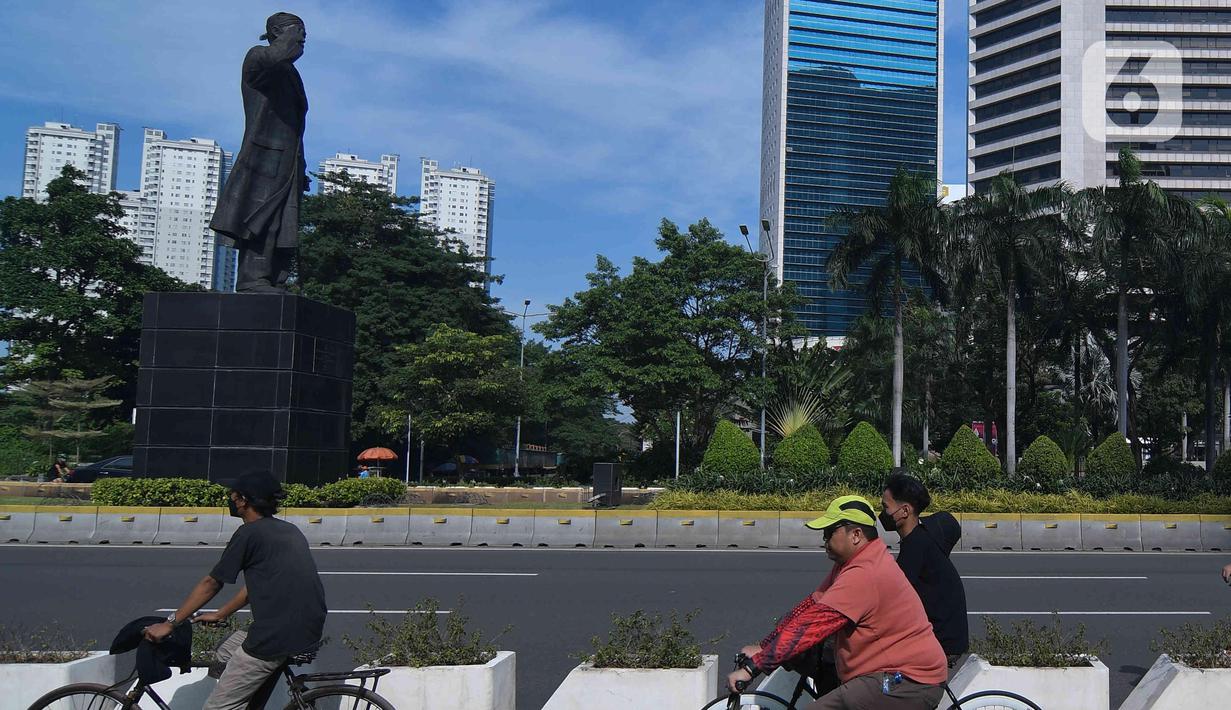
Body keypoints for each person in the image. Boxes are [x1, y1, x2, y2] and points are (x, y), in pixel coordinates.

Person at [727, 495, 948, 710]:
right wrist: (765, 647)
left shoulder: (864, 573)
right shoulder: (851, 564)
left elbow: (811, 627)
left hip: (907, 681)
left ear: (856, 535)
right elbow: (810, 607)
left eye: (829, 532)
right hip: (888, 675)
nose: (824, 540)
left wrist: (752, 668)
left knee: (839, 702)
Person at [142, 471, 327, 710]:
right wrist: (222, 614)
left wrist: (170, 623)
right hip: (305, 627)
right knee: (226, 651)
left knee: (217, 708)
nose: (230, 498)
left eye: (233, 495)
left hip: (275, 635)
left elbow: (212, 583)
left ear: (243, 500)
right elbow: (255, 587)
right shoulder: (288, 530)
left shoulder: (249, 533)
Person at [209, 12, 310, 293]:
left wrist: (300, 166)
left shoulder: (290, 74)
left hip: (288, 160)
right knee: (260, 218)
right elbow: (271, 60)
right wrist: (284, 41)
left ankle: (272, 276)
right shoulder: (258, 58)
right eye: (297, 30)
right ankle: (252, 278)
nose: (303, 37)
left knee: (281, 222)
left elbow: (294, 125)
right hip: (264, 158)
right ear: (278, 32)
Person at [880, 471, 969, 661]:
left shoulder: (915, 545)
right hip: (947, 637)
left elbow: (895, 595)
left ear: (904, 511)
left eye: (885, 507)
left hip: (939, 642)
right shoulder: (924, 536)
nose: (883, 514)